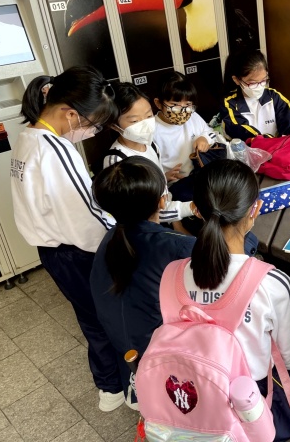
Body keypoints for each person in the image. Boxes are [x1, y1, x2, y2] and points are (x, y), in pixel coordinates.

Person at [10, 66, 124, 411]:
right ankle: (120, 385)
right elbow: (85, 214)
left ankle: (109, 386)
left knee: (90, 317)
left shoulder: (27, 137)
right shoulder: (55, 150)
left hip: (52, 252)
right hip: (78, 252)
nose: (93, 131)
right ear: (70, 114)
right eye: (93, 124)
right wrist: (123, 235)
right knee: (109, 317)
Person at [185, 159, 290, 440]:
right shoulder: (271, 282)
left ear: (195, 210)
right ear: (255, 209)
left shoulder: (172, 275)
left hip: (197, 386)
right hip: (254, 394)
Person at [90, 156, 196, 409]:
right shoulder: (178, 246)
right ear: (163, 201)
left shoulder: (109, 240)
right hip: (160, 353)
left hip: (124, 348)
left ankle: (137, 385)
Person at [103, 82, 193, 224]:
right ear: (114, 125)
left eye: (149, 116)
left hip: (167, 209)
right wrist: (190, 208)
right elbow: (141, 212)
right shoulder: (117, 161)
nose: (145, 125)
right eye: (134, 121)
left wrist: (163, 178)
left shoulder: (150, 145)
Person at [153, 71, 216, 201]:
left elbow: (211, 132)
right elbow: (148, 171)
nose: (182, 111)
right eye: (175, 105)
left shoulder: (193, 116)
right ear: (158, 103)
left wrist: (204, 138)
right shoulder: (152, 130)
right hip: (174, 184)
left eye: (187, 105)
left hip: (198, 175)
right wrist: (164, 177)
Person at [220, 49, 290, 140]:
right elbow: (242, 132)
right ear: (236, 80)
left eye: (263, 80)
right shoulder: (229, 103)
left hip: (277, 148)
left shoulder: (274, 97)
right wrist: (269, 141)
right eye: (253, 83)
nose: (259, 86)